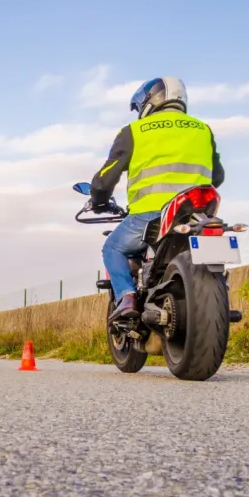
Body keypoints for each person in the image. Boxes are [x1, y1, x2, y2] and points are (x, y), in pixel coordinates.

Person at [88, 77, 225, 322]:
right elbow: (218, 176)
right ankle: (221, 288)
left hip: (151, 214)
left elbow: (105, 180)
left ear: (153, 98)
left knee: (113, 247)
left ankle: (127, 297)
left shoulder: (135, 131)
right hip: (199, 214)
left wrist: (97, 197)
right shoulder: (202, 129)